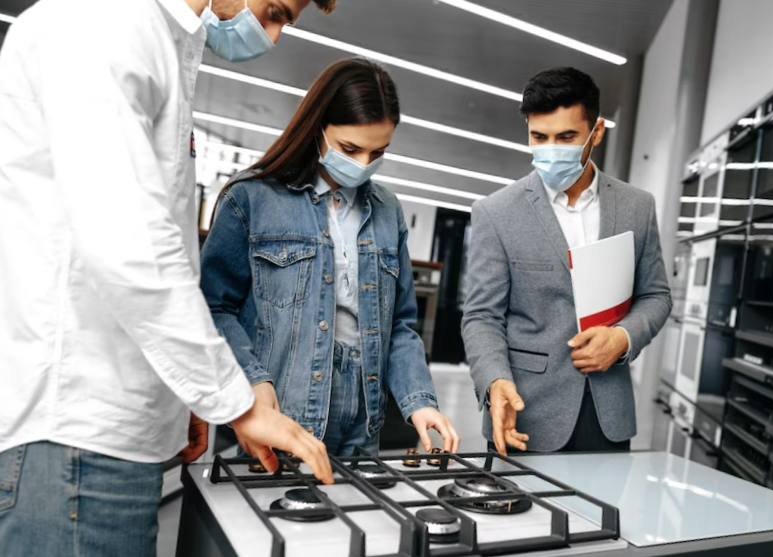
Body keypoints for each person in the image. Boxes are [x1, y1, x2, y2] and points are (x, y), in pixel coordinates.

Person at [0, 0, 337, 555]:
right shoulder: (101, 23)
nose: (273, 36)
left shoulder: (166, 39)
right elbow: (127, 245)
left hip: (108, 441)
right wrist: (233, 400)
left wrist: (185, 397)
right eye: (276, 10)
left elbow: (157, 247)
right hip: (76, 439)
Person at [200, 58, 460, 458]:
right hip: (283, 409)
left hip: (364, 418)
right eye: (350, 149)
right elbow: (214, 307)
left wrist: (418, 400)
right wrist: (252, 379)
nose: (361, 165)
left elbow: (402, 325)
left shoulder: (388, 211)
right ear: (317, 126)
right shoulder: (252, 197)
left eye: (377, 153)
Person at [462, 67, 672, 456]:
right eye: (538, 137)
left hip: (608, 415)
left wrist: (622, 338)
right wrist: (494, 382)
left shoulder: (636, 207)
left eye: (567, 137)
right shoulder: (496, 212)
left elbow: (656, 296)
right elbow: (481, 316)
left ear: (597, 133)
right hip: (524, 411)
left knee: (601, 519)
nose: (551, 149)